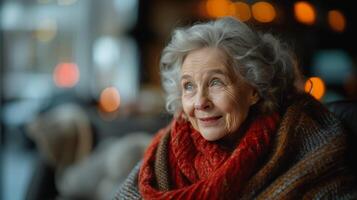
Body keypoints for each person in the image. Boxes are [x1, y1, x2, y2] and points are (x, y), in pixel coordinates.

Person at [115, 17, 357, 199]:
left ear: (254, 89)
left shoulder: (311, 148)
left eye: (216, 82)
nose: (200, 102)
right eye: (188, 86)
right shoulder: (164, 153)